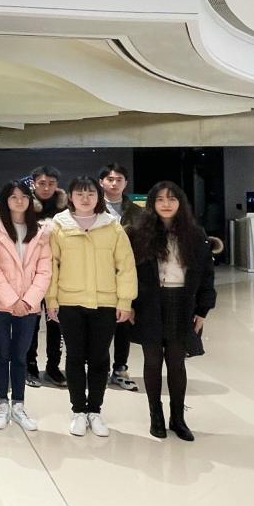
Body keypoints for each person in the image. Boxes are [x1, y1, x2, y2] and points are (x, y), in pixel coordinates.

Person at [47, 176, 137, 437]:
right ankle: (78, 410)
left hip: (105, 302)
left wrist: (125, 301)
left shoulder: (112, 226)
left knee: (99, 358)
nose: (85, 199)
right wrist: (51, 300)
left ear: (98, 197)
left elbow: (126, 266)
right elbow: (52, 266)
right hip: (69, 302)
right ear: (71, 197)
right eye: (79, 194)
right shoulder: (59, 226)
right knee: (74, 357)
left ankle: (95, 411)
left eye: (90, 194)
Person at [128, 182, 215, 441]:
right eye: (160, 199)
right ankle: (156, 415)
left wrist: (203, 310)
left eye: (172, 199)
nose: (166, 204)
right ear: (152, 203)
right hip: (149, 302)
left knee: (177, 362)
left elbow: (206, 274)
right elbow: (128, 272)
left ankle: (178, 418)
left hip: (183, 301)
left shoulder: (195, 234)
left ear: (181, 203)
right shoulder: (139, 234)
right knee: (152, 361)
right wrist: (129, 303)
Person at [0, 182, 52, 432]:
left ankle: (18, 405)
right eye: (13, 197)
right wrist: (12, 300)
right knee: (2, 356)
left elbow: (45, 271)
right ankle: (2, 403)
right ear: (5, 201)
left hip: (29, 307)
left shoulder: (41, 232)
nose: (19, 201)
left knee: (20, 357)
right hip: (1, 305)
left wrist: (28, 301)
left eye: (24, 196)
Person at [99, 163, 143, 393]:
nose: (114, 183)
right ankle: (100, 369)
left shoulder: (138, 213)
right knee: (101, 326)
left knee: (124, 323)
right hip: (98, 275)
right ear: (101, 182)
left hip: (127, 274)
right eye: (110, 179)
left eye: (119, 179)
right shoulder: (91, 209)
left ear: (126, 183)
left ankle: (120, 368)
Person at [27, 165, 68, 389]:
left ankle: (53, 366)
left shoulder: (66, 209)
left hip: (58, 274)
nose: (46, 188)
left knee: (56, 323)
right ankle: (30, 365)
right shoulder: (25, 205)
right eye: (42, 183)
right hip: (31, 274)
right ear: (33, 183)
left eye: (51, 183)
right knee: (31, 323)